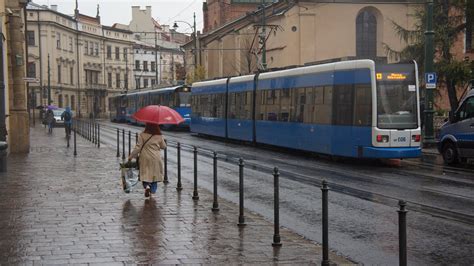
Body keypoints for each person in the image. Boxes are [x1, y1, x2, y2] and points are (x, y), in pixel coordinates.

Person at [128, 123, 167, 198]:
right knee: (154, 175)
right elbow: (164, 146)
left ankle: (147, 186)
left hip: (145, 158)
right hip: (156, 158)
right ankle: (152, 191)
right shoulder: (159, 135)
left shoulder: (142, 135)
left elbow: (138, 148)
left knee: (145, 174)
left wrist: (131, 156)